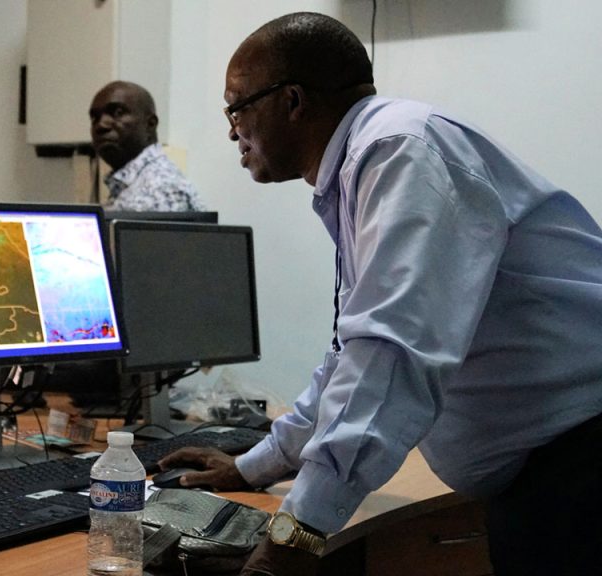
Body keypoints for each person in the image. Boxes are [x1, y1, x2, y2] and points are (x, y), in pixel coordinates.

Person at [158, 12, 602, 576]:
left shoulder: (399, 151)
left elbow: (388, 358)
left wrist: (295, 538)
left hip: (582, 468)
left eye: (236, 107)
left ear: (292, 100)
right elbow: (353, 355)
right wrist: (254, 467)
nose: (231, 130)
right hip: (552, 475)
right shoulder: (366, 165)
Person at [89, 80, 204, 212]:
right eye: (94, 118)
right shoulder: (133, 184)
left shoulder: (160, 189)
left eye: (118, 113)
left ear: (150, 124)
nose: (101, 125)